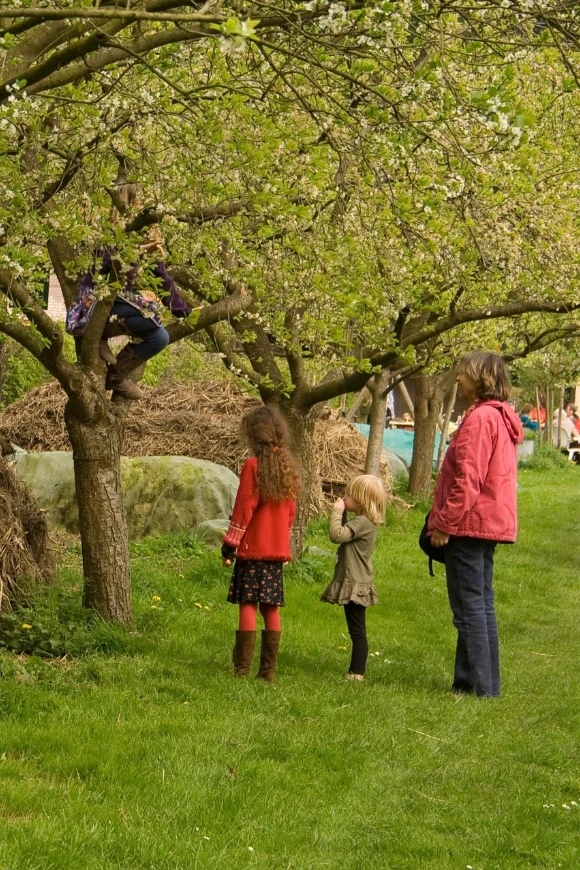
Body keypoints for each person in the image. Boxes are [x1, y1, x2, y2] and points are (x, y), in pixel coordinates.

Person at [427, 352, 523, 698]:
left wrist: (444, 524)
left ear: (480, 378)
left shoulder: (481, 419)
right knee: (481, 605)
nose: (458, 379)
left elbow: (467, 479)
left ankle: (480, 690)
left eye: (464, 374)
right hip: (488, 523)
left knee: (469, 608)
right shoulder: (500, 417)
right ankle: (474, 684)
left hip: (470, 524)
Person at [66, 184, 192, 399]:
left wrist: (185, 312)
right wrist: (137, 249)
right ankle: (100, 333)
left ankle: (116, 375)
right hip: (99, 300)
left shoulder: (147, 238)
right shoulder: (107, 231)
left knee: (160, 336)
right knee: (151, 315)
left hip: (123, 304)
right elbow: (101, 264)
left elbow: (162, 278)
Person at [221, 405, 301, 683]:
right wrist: (284, 545)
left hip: (253, 548)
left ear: (254, 436)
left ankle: (242, 670)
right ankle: (268, 672)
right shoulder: (287, 466)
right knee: (271, 607)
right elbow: (290, 515)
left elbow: (244, 508)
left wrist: (230, 544)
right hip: (276, 551)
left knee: (248, 604)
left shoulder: (254, 466)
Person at [320, 474, 387, 681]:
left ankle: (357, 673)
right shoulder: (365, 521)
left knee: (358, 630)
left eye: (349, 495)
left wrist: (337, 512)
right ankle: (355, 671)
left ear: (361, 500)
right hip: (357, 579)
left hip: (355, 581)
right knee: (356, 629)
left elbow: (336, 535)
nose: (345, 497)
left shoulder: (362, 522)